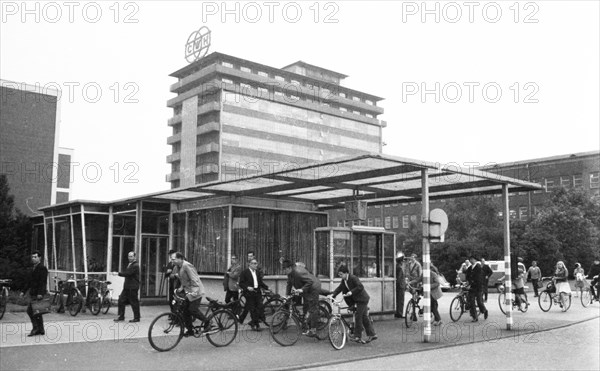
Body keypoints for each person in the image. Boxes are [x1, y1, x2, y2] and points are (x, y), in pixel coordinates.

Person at [329, 265, 377, 343]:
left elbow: (360, 286)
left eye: (341, 274)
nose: (340, 276)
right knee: (364, 317)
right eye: (339, 274)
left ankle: (357, 336)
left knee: (358, 316)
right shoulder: (344, 280)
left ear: (346, 273)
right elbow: (340, 288)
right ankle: (372, 334)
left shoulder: (353, 278)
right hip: (357, 300)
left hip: (362, 299)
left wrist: (351, 292)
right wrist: (333, 295)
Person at [172, 252, 210, 337]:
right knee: (185, 311)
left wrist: (194, 292)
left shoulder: (187, 265)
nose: (172, 261)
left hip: (196, 291)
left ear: (180, 259)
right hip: (188, 291)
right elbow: (184, 279)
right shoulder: (178, 267)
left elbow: (194, 279)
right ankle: (190, 330)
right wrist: (181, 288)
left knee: (193, 310)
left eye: (173, 259)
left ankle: (207, 321)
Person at [283, 259, 321, 337]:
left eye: (285, 269)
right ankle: (305, 323)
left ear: (290, 268)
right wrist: (287, 295)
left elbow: (310, 281)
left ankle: (313, 330)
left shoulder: (298, 272)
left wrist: (302, 289)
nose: (284, 271)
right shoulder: (290, 273)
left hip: (313, 287)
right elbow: (289, 284)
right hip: (305, 288)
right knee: (305, 306)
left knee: (312, 308)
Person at [238, 258, 269, 330]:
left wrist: (267, 288)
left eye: (256, 263)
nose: (256, 265)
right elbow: (241, 283)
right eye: (254, 263)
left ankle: (250, 321)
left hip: (257, 292)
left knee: (260, 307)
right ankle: (256, 325)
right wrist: (247, 287)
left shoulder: (257, 272)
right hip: (249, 293)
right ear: (250, 264)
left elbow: (260, 282)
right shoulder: (245, 272)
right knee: (253, 309)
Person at [23, 251, 48, 336]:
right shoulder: (33, 268)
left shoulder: (42, 268)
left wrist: (40, 293)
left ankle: (35, 328)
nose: (33, 259)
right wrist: (23, 291)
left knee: (30, 311)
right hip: (33, 292)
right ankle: (41, 329)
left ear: (40, 258)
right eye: (32, 257)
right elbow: (29, 282)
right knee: (37, 311)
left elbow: (43, 282)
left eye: (35, 257)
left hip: (38, 293)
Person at [113, 251, 141, 323]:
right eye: (129, 256)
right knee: (121, 300)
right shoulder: (130, 264)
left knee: (134, 302)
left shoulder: (135, 265)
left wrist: (118, 273)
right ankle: (121, 316)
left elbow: (128, 273)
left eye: (131, 256)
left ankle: (137, 318)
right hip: (127, 287)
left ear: (135, 257)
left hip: (133, 287)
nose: (129, 258)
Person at [467, 255, 488, 322]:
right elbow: (467, 276)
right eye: (470, 259)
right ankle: (474, 317)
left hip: (479, 287)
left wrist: (473, 281)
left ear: (475, 260)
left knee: (479, 302)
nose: (471, 260)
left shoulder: (478, 267)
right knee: (471, 302)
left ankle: (484, 310)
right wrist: (468, 282)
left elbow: (479, 277)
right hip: (472, 287)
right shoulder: (470, 268)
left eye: (472, 259)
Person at [394, 252, 406, 319]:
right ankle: (400, 313)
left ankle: (398, 312)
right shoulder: (400, 268)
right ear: (401, 261)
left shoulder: (396, 266)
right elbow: (399, 278)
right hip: (400, 286)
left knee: (398, 300)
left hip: (398, 286)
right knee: (401, 300)